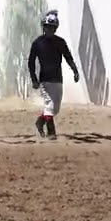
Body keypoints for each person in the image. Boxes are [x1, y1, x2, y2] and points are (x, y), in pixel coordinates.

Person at [28, 10, 79, 139]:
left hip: (57, 79)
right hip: (45, 80)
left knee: (55, 109)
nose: (49, 30)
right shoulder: (37, 43)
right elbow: (31, 62)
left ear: (55, 28)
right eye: (47, 27)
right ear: (43, 27)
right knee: (49, 105)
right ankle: (51, 133)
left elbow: (68, 57)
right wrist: (34, 79)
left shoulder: (60, 42)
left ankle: (40, 121)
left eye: (51, 27)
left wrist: (75, 71)